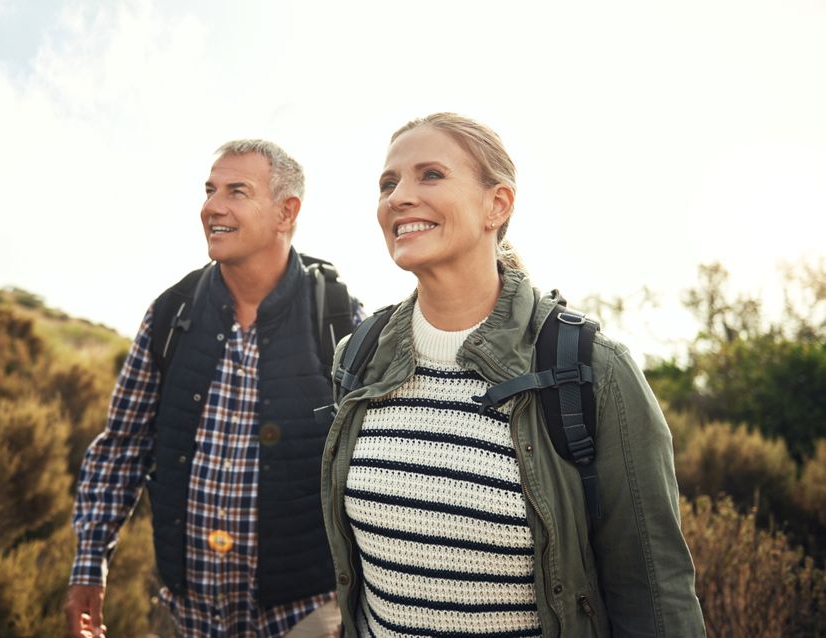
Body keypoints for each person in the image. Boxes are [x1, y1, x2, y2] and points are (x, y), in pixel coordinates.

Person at [321, 113, 706, 637]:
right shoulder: (358, 356)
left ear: (496, 204)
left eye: (429, 175)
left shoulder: (592, 369)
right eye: (389, 183)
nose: (398, 197)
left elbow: (656, 596)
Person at [66, 139, 361, 638]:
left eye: (236, 191)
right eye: (209, 190)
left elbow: (367, 467)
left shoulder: (338, 318)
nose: (211, 207)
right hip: (184, 615)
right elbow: (122, 448)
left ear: (286, 212)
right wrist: (89, 561)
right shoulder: (170, 314)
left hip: (306, 617)